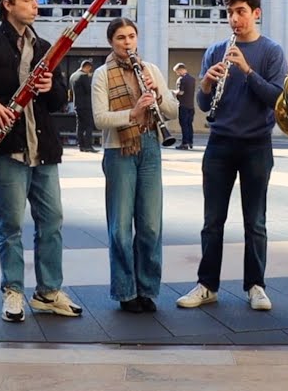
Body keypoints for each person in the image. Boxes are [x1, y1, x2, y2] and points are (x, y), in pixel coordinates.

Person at [0, 0, 82, 323]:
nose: (35, 5)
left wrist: (50, 87)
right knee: (11, 224)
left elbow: (59, 101)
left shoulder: (45, 47)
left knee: (52, 221)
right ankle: (13, 291)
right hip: (7, 148)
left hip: (43, 148)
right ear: (7, 4)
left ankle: (48, 292)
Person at [177, 0, 287, 312]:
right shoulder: (215, 51)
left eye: (241, 12)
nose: (234, 19)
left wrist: (248, 71)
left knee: (255, 221)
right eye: (229, 13)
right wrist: (206, 83)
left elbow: (276, 98)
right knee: (212, 221)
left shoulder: (271, 51)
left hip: (256, 144)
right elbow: (203, 104)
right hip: (219, 143)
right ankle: (207, 285)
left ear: (256, 13)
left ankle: (255, 285)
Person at [92, 18, 177, 313]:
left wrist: (159, 95)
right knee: (120, 228)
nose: (127, 42)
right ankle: (125, 291)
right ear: (111, 42)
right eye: (120, 38)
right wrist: (133, 111)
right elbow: (100, 119)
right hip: (119, 150)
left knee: (151, 225)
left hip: (150, 146)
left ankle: (147, 289)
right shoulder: (102, 74)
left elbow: (173, 110)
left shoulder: (150, 69)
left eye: (131, 36)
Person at [72, 60, 97, 152]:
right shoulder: (83, 76)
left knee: (80, 126)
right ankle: (88, 145)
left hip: (77, 105)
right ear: (87, 67)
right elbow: (89, 90)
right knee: (89, 125)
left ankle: (81, 145)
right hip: (86, 105)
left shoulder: (73, 76)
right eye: (89, 69)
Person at [172, 62, 196, 150]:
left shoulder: (181, 79)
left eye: (177, 71)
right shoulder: (192, 79)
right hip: (191, 106)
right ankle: (190, 142)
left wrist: (173, 92)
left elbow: (181, 92)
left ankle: (184, 143)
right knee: (189, 124)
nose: (177, 73)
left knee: (184, 125)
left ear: (180, 70)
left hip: (183, 105)